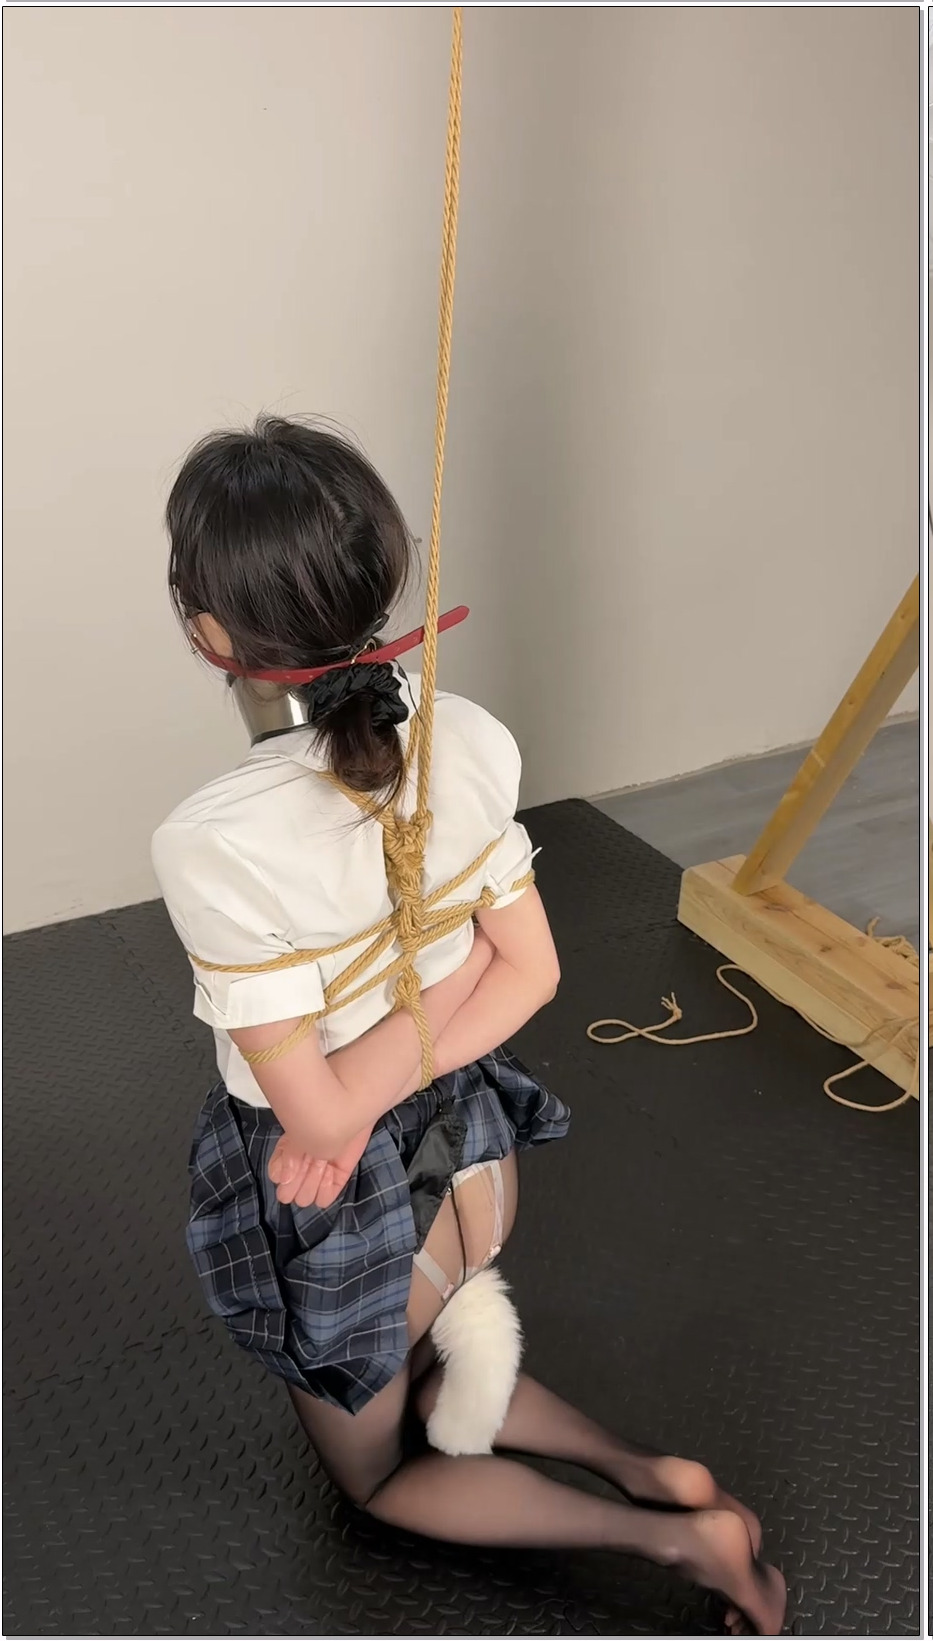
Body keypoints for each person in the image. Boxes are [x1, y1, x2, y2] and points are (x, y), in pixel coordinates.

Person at [152, 416, 786, 1636]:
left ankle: (671, 1534)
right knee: (441, 1333)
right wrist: (452, 986)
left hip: (349, 1212)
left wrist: (348, 1106)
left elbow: (320, 1120)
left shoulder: (212, 841)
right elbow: (530, 971)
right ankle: (656, 1471)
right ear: (380, 577)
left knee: (380, 1476)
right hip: (474, 1161)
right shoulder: (472, 735)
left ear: (209, 633)